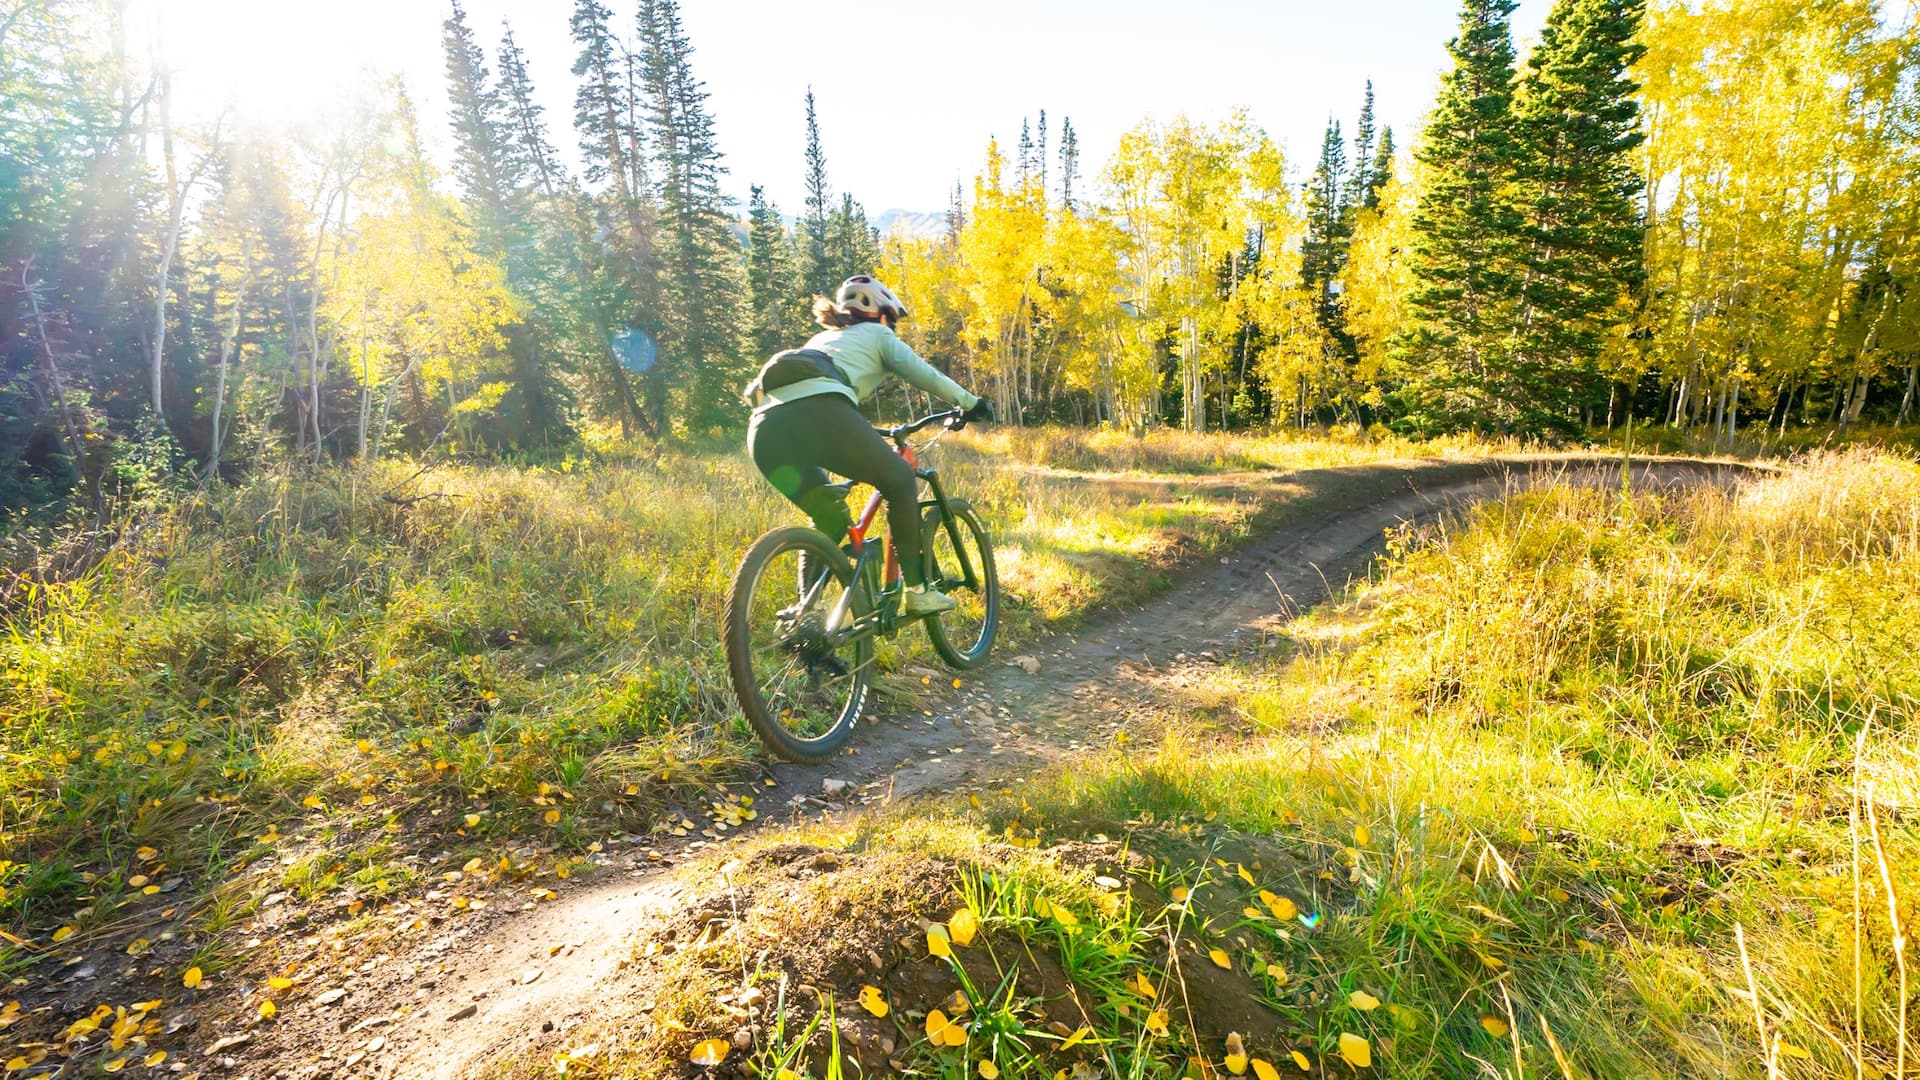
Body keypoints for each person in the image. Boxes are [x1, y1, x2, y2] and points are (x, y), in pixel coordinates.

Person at [748, 275, 991, 615]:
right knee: (900, 480)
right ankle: (918, 591)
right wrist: (970, 402)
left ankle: (807, 614)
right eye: (892, 322)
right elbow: (924, 374)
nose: (892, 329)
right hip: (823, 412)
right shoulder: (878, 334)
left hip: (765, 429)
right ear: (882, 315)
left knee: (829, 518)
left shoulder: (821, 339)